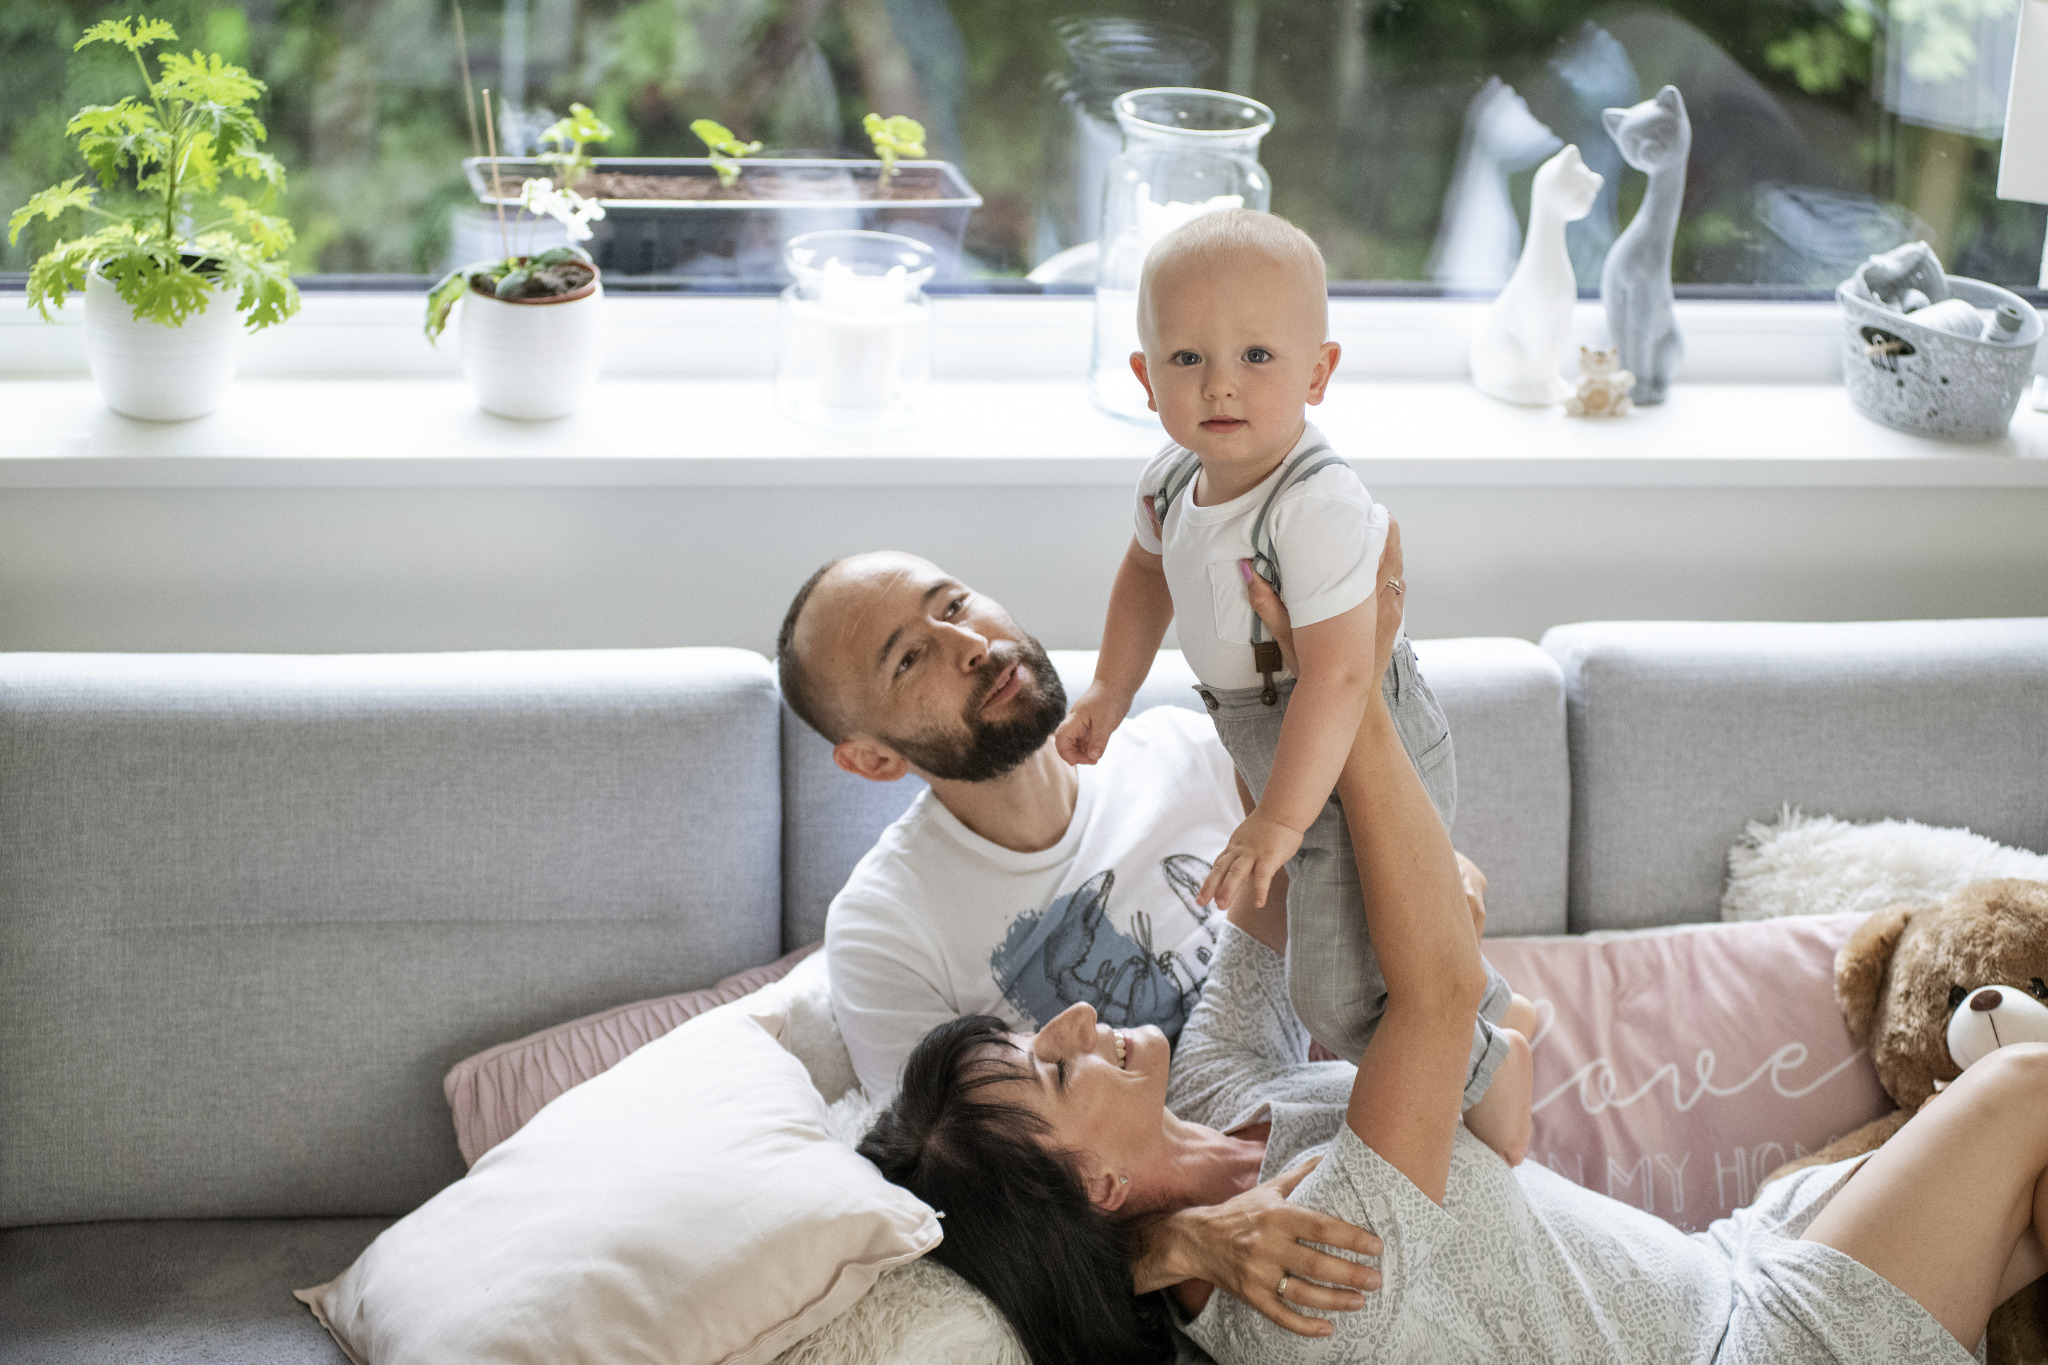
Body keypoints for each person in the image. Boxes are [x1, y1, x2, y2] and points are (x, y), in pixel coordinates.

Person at [862, 559, 2048, 1365]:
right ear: (1100, 1195)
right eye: (1053, 1075)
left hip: (1736, 1259)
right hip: (1748, 1346)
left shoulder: (1219, 1099)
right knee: (2021, 1085)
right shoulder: (1292, 1276)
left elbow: (1277, 905)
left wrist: (1253, 650)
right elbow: (1432, 1002)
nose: (1065, 1024)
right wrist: (1352, 680)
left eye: (1034, 1039)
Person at [775, 535, 1495, 1334]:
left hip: (1383, 1113)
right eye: (910, 659)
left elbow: (1346, 889)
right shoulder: (886, 929)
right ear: (873, 758)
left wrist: (1431, 877)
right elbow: (965, 1220)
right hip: (1236, 1290)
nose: (972, 646)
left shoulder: (1185, 751)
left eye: (953, 604)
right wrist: (1180, 1244)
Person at [1053, 207, 1529, 1131]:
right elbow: (1147, 570)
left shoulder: (1313, 506)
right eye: (1188, 360)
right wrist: (1112, 687)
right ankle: (1471, 1014)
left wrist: (1279, 818)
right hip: (1267, 731)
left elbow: (1344, 679)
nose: (1220, 384)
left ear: (1319, 371)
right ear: (1147, 379)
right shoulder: (1169, 479)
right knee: (1314, 939)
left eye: (1257, 358)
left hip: (1350, 736)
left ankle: (1498, 1051)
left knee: (1342, 993)